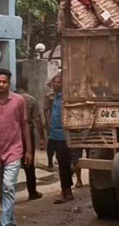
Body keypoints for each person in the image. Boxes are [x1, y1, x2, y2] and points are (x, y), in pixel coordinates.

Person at [0, 69, 33, 226]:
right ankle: (10, 220)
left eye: (4, 82)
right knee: (3, 190)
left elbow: (24, 125)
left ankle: (5, 224)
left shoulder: (19, 101)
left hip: (14, 151)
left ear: (9, 83)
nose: (1, 85)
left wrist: (29, 151)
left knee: (9, 186)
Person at [45, 73, 75, 204]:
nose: (56, 84)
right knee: (62, 163)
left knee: (64, 164)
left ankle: (66, 191)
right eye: (55, 82)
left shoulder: (66, 97)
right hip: (54, 135)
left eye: (59, 82)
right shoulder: (54, 97)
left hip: (63, 136)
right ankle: (67, 190)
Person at [17, 76, 46, 200]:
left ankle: (6, 194)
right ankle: (32, 191)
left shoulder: (10, 99)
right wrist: (42, 137)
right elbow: (38, 120)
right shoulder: (31, 100)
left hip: (11, 134)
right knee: (29, 163)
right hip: (26, 134)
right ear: (26, 85)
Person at [44, 90, 57, 170]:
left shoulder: (67, 94)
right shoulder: (50, 96)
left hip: (62, 122)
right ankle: (50, 162)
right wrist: (48, 122)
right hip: (52, 122)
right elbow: (45, 109)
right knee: (51, 143)